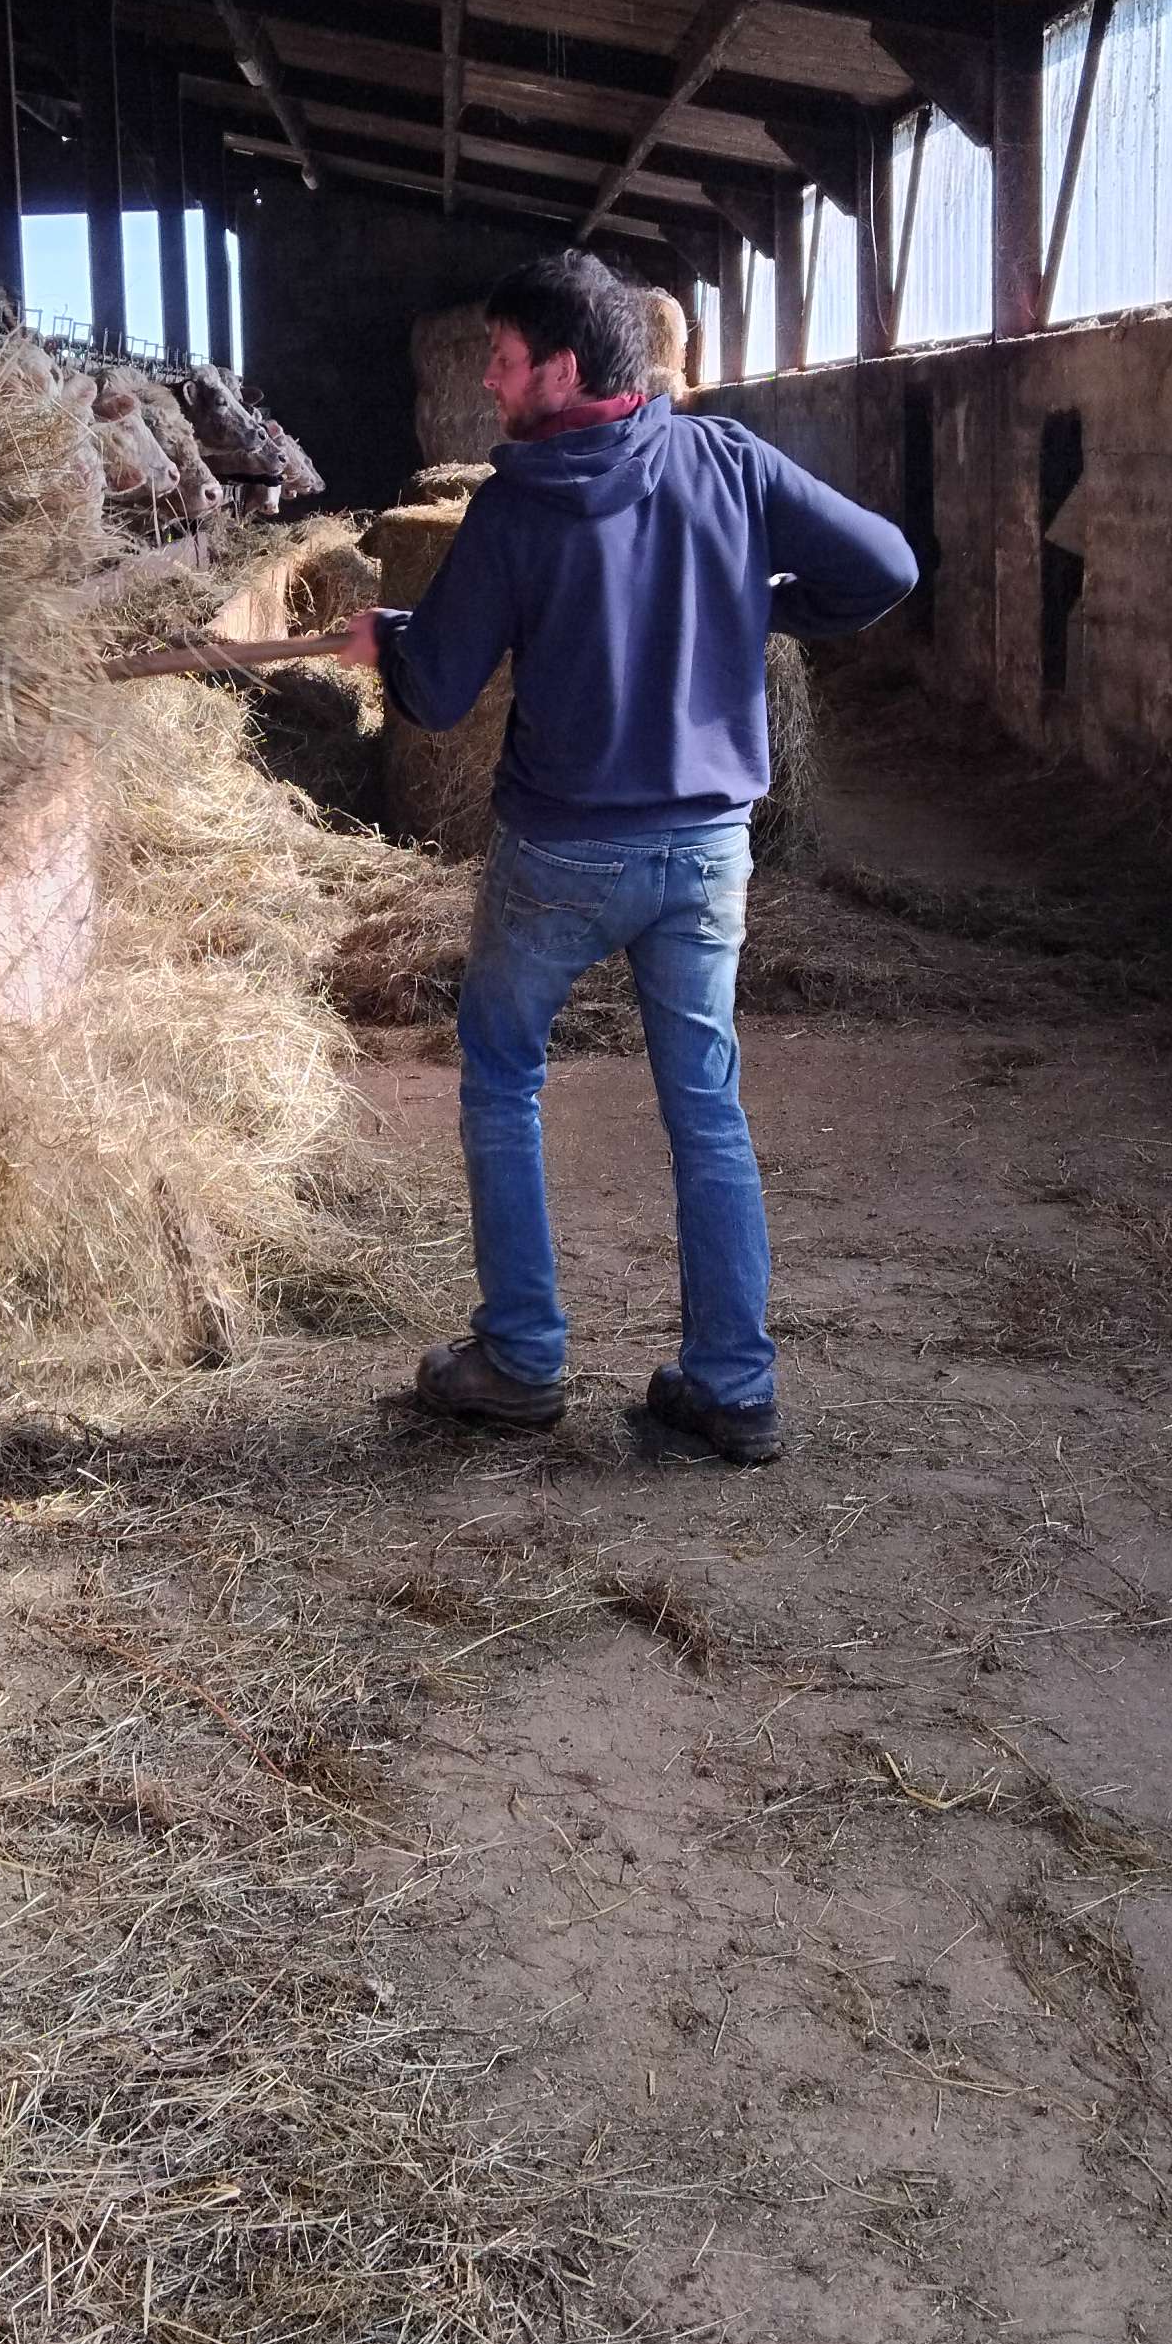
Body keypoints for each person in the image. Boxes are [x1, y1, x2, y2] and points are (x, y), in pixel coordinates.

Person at [339, 251, 917, 1463]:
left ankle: (522, 1357)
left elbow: (438, 693)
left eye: (503, 360)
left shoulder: (515, 504)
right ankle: (733, 1384)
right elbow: (886, 567)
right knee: (705, 1103)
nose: (489, 383)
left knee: (502, 1067)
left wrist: (385, 637)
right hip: (708, 851)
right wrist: (763, 603)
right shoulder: (728, 463)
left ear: (561, 367)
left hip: (562, 852)